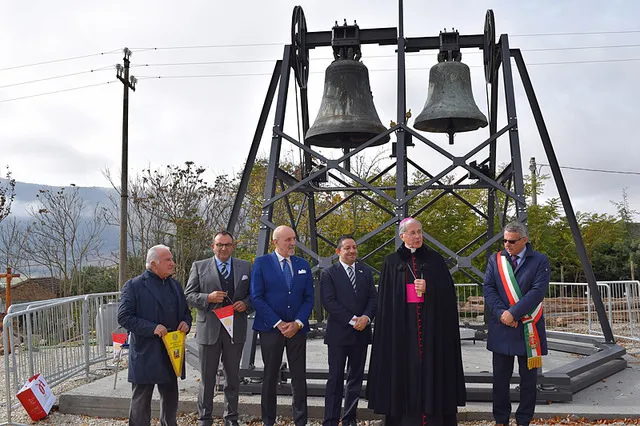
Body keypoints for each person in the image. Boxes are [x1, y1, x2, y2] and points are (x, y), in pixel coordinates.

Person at [367, 217, 466, 426]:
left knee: (433, 374)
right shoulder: (392, 262)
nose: (417, 236)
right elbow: (386, 303)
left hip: (432, 334)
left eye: (420, 232)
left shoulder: (435, 260)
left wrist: (430, 288)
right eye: (412, 233)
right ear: (402, 236)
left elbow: (449, 294)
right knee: (404, 375)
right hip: (402, 334)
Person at [483, 221, 550, 426]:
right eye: (504, 240)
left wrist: (514, 313)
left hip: (528, 328)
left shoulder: (540, 260)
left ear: (524, 240)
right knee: (500, 381)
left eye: (512, 241)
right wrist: (502, 313)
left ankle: (524, 420)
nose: (507, 245)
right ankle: (501, 420)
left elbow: (537, 292)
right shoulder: (496, 260)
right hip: (501, 326)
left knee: (528, 382)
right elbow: (489, 288)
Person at [117, 244, 192, 426]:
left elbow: (186, 312)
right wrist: (152, 328)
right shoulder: (134, 286)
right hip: (146, 352)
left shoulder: (175, 285)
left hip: (171, 352)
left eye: (172, 259)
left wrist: (186, 323)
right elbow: (124, 317)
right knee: (141, 402)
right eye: (168, 260)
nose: (173, 263)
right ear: (153, 264)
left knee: (170, 398)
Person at [185, 231, 252, 426]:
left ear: (233, 246)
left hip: (235, 330)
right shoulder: (199, 266)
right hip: (210, 331)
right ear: (213, 246)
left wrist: (245, 304)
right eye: (220, 244)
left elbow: (254, 295)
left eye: (228, 245)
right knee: (207, 378)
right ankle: (204, 418)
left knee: (232, 378)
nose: (224, 248)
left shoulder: (245, 266)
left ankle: (231, 417)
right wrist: (208, 298)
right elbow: (188, 295)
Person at [250, 225, 314, 426]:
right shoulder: (261, 263)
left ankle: (300, 420)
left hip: (297, 329)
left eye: (294, 239)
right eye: (288, 240)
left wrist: (297, 323)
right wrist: (278, 323)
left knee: (298, 376)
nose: (293, 243)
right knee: (269, 376)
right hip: (271, 329)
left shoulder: (303, 264)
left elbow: (309, 298)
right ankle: (268, 420)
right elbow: (257, 297)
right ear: (276, 242)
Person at [320, 235, 377, 426]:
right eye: (347, 248)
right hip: (339, 334)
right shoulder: (329, 273)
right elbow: (329, 302)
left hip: (361, 335)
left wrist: (366, 318)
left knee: (355, 379)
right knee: (335, 379)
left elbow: (373, 299)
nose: (352, 251)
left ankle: (349, 419)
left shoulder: (365, 272)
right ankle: (330, 419)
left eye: (354, 247)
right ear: (338, 252)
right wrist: (353, 321)